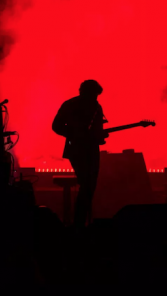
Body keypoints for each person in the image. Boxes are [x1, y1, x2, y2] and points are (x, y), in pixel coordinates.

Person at [52, 80, 108, 230]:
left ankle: (80, 222)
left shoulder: (94, 106)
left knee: (89, 186)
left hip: (88, 149)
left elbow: (97, 132)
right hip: (77, 149)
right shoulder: (72, 105)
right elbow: (56, 126)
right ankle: (79, 223)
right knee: (88, 185)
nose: (95, 98)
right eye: (94, 95)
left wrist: (99, 137)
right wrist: (75, 134)